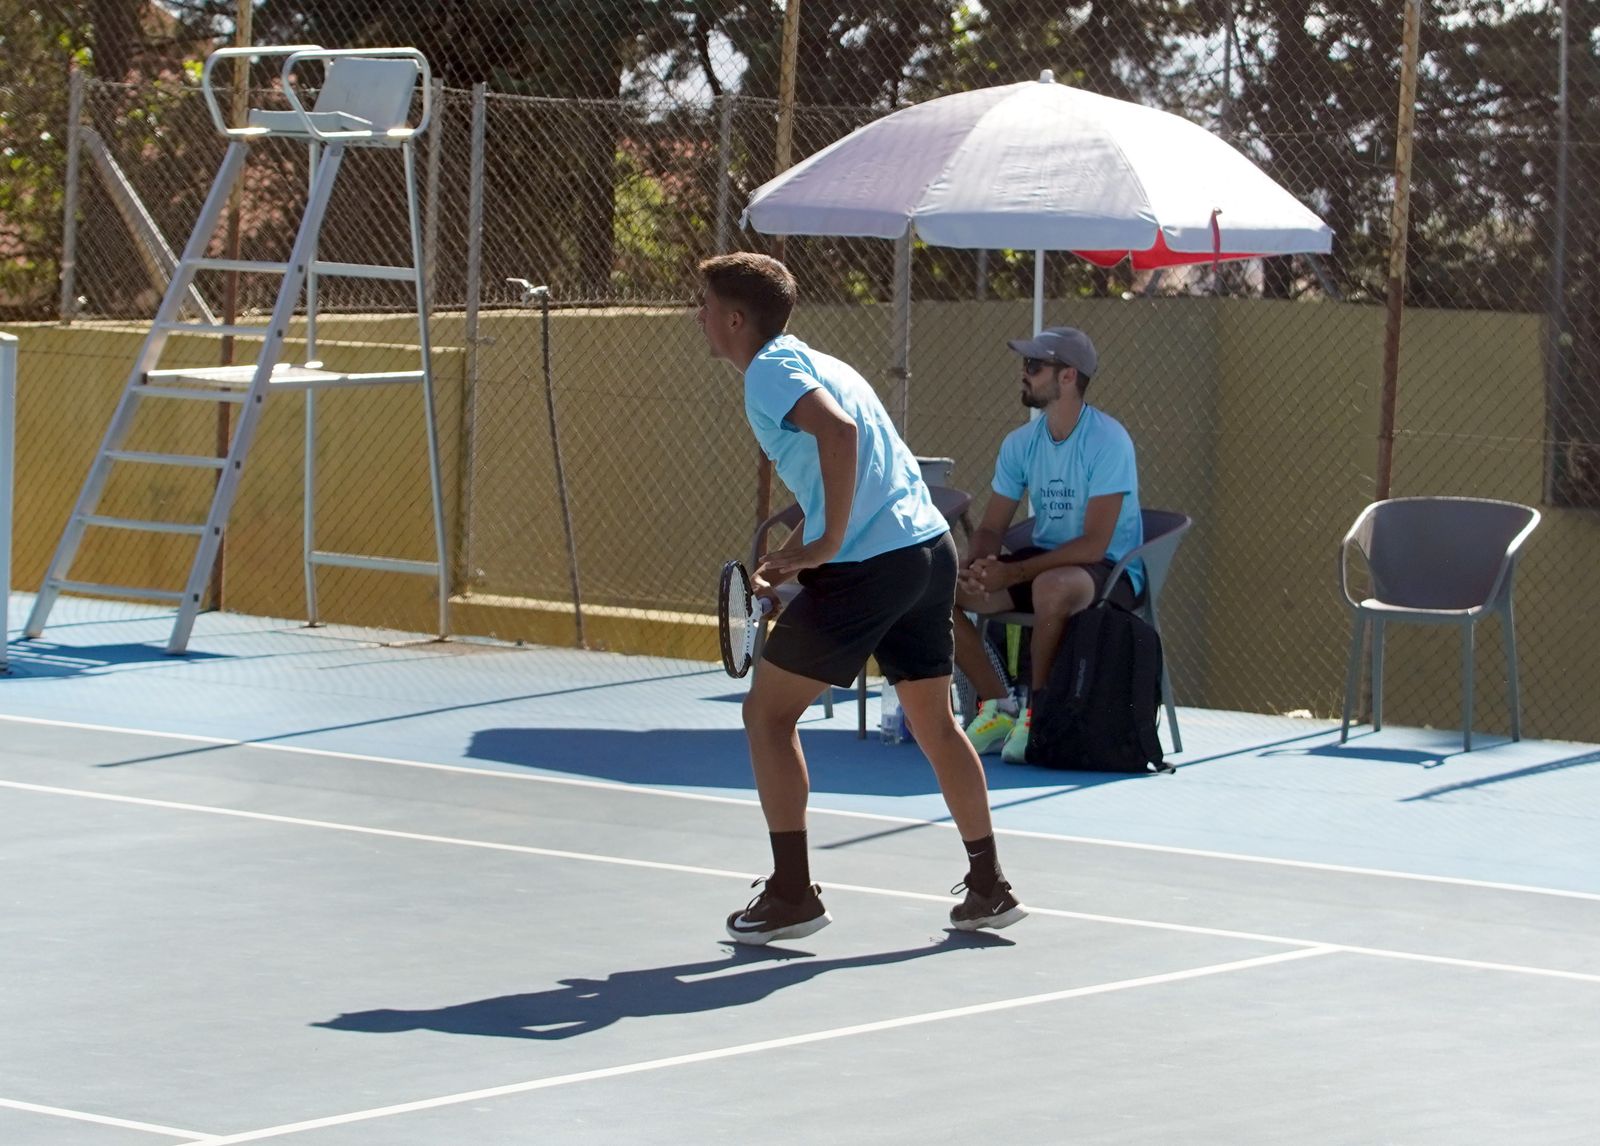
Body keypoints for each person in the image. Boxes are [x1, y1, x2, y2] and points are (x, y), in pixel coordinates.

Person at [696, 252, 1027, 944]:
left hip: (872, 563)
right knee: (935, 724)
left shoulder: (767, 372)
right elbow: (856, 463)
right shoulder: (818, 361)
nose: (698, 319)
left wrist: (824, 547)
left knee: (767, 715)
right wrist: (805, 554)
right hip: (925, 550)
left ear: (733, 319)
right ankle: (990, 885)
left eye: (703, 307)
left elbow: (839, 437)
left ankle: (792, 894)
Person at [954, 326, 1144, 764]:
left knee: (1051, 588)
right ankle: (999, 706)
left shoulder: (1108, 440)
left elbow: (1096, 545)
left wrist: (1015, 572)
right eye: (1025, 364)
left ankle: (1040, 715)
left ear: (1067, 377)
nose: (1024, 373)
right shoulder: (1020, 443)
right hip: (1045, 564)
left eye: (1034, 366)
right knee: (939, 585)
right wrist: (977, 563)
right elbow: (991, 527)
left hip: (1111, 569)